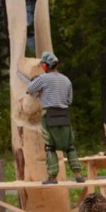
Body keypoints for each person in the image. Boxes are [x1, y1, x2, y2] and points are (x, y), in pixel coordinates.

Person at [26, 51, 85, 185]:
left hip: (49, 115)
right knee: (69, 146)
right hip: (64, 115)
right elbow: (69, 100)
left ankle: (52, 178)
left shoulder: (43, 78)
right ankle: (78, 175)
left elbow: (30, 89)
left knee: (50, 147)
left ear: (45, 66)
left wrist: (37, 85)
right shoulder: (66, 80)